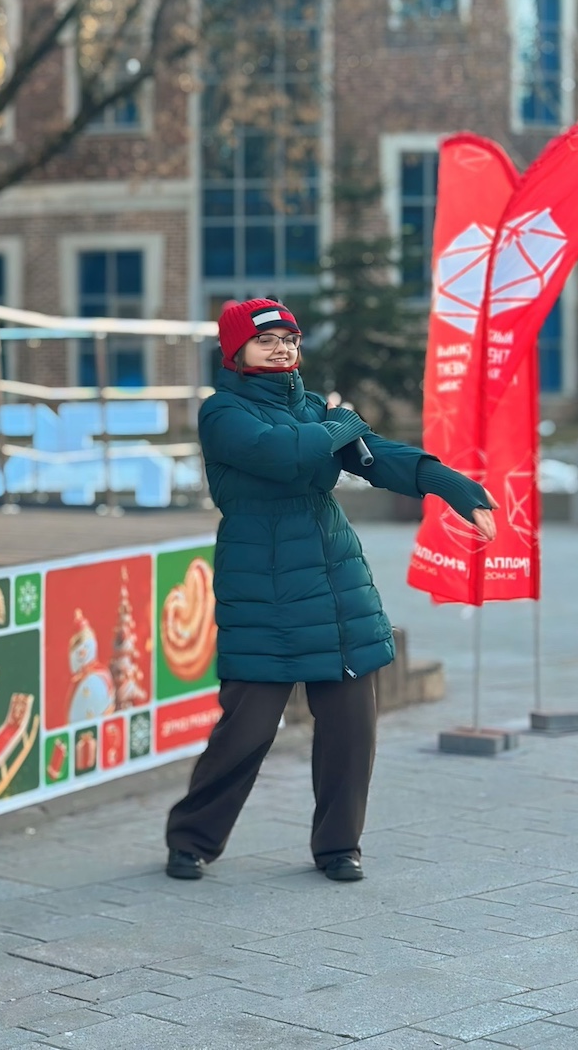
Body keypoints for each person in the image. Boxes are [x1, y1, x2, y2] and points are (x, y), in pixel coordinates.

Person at [165, 297, 496, 885]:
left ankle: (339, 845)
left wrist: (445, 481)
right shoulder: (223, 413)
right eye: (267, 339)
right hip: (260, 577)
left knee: (351, 726)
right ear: (235, 350)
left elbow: (375, 458)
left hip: (334, 576)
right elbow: (283, 454)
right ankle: (193, 838)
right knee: (248, 727)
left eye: (290, 338)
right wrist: (343, 423)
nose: (282, 347)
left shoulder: (314, 409)